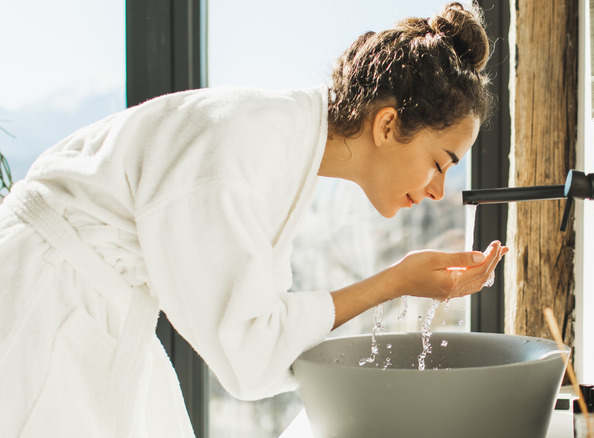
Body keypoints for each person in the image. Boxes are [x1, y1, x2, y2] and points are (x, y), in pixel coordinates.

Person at [0, 2, 507, 436]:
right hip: (48, 300)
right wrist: (395, 281)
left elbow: (266, 335)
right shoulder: (245, 148)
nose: (440, 188)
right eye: (440, 162)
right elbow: (249, 355)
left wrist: (399, 282)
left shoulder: (283, 147)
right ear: (388, 124)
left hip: (92, 301)